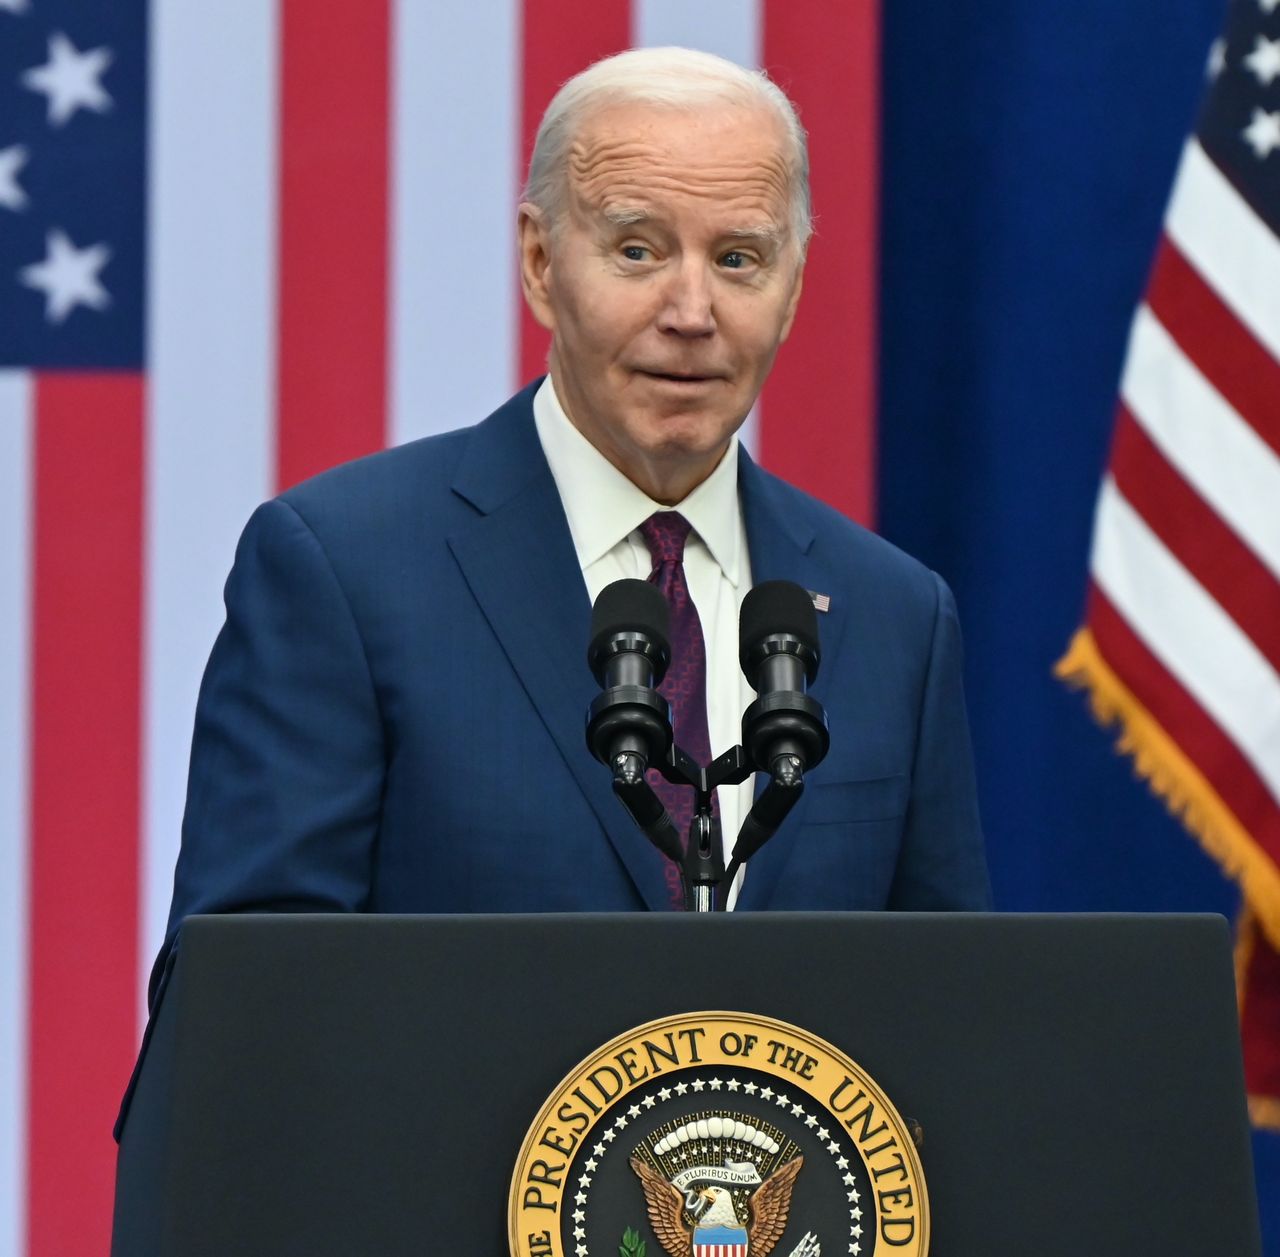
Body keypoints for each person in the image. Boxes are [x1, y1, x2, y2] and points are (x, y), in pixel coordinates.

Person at [153, 46, 990, 1006]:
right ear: (543, 262)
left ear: (794, 286)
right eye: (637, 249)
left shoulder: (896, 616)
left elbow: (951, 1019)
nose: (691, 311)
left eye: (738, 259)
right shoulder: (342, 569)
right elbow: (246, 998)